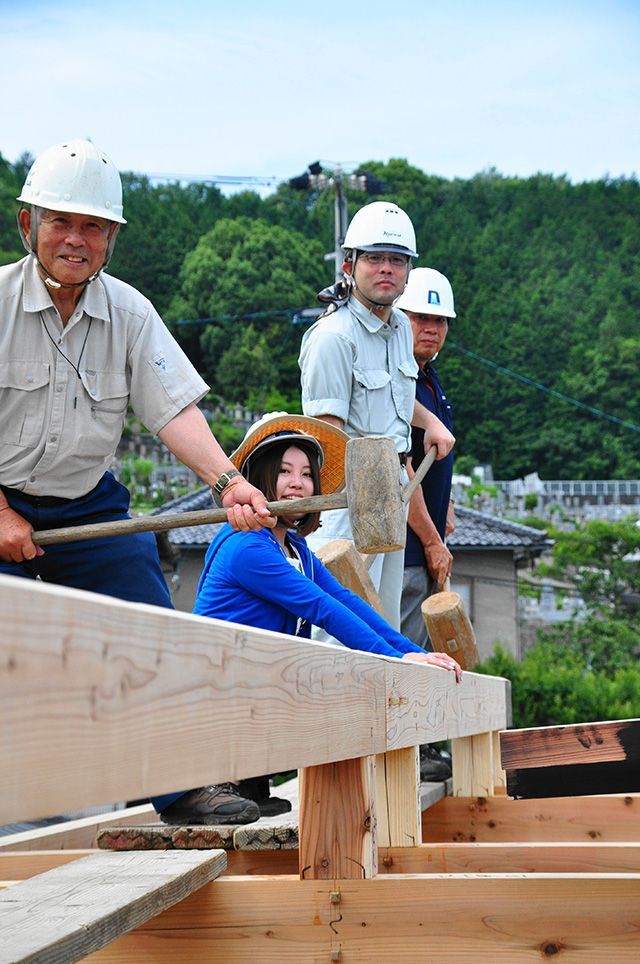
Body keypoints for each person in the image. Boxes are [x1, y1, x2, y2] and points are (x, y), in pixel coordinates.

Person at [0, 139, 272, 607]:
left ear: (110, 238)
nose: (75, 239)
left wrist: (229, 483)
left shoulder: (132, 313)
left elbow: (172, 411)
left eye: (93, 226)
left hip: (85, 506)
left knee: (148, 616)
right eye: (60, 221)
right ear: (29, 224)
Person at [154, 412, 462, 825]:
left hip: (254, 688)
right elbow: (322, 609)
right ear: (260, 480)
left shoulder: (295, 549)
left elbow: (348, 602)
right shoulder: (247, 546)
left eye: (305, 474)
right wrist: (398, 660)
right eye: (282, 472)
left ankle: (248, 781)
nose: (297, 483)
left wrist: (410, 652)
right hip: (215, 693)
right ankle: (216, 782)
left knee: (298, 672)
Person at [298, 201, 455, 631]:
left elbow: (397, 395)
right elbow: (327, 440)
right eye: (374, 258)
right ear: (349, 263)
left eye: (397, 260)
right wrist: (375, 492)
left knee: (381, 624)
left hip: (391, 500)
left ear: (407, 271)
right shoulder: (332, 338)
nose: (386, 268)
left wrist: (430, 422)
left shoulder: (401, 328)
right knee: (339, 626)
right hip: (347, 506)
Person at [396, 268, 457, 783]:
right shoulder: (400, 382)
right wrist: (433, 540)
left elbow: (433, 462)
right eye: (421, 317)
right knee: (410, 647)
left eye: (439, 320)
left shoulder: (431, 380)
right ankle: (410, 751)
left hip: (426, 537)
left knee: (423, 644)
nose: (431, 328)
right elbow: (398, 476)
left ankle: (421, 745)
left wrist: (447, 508)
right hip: (409, 548)